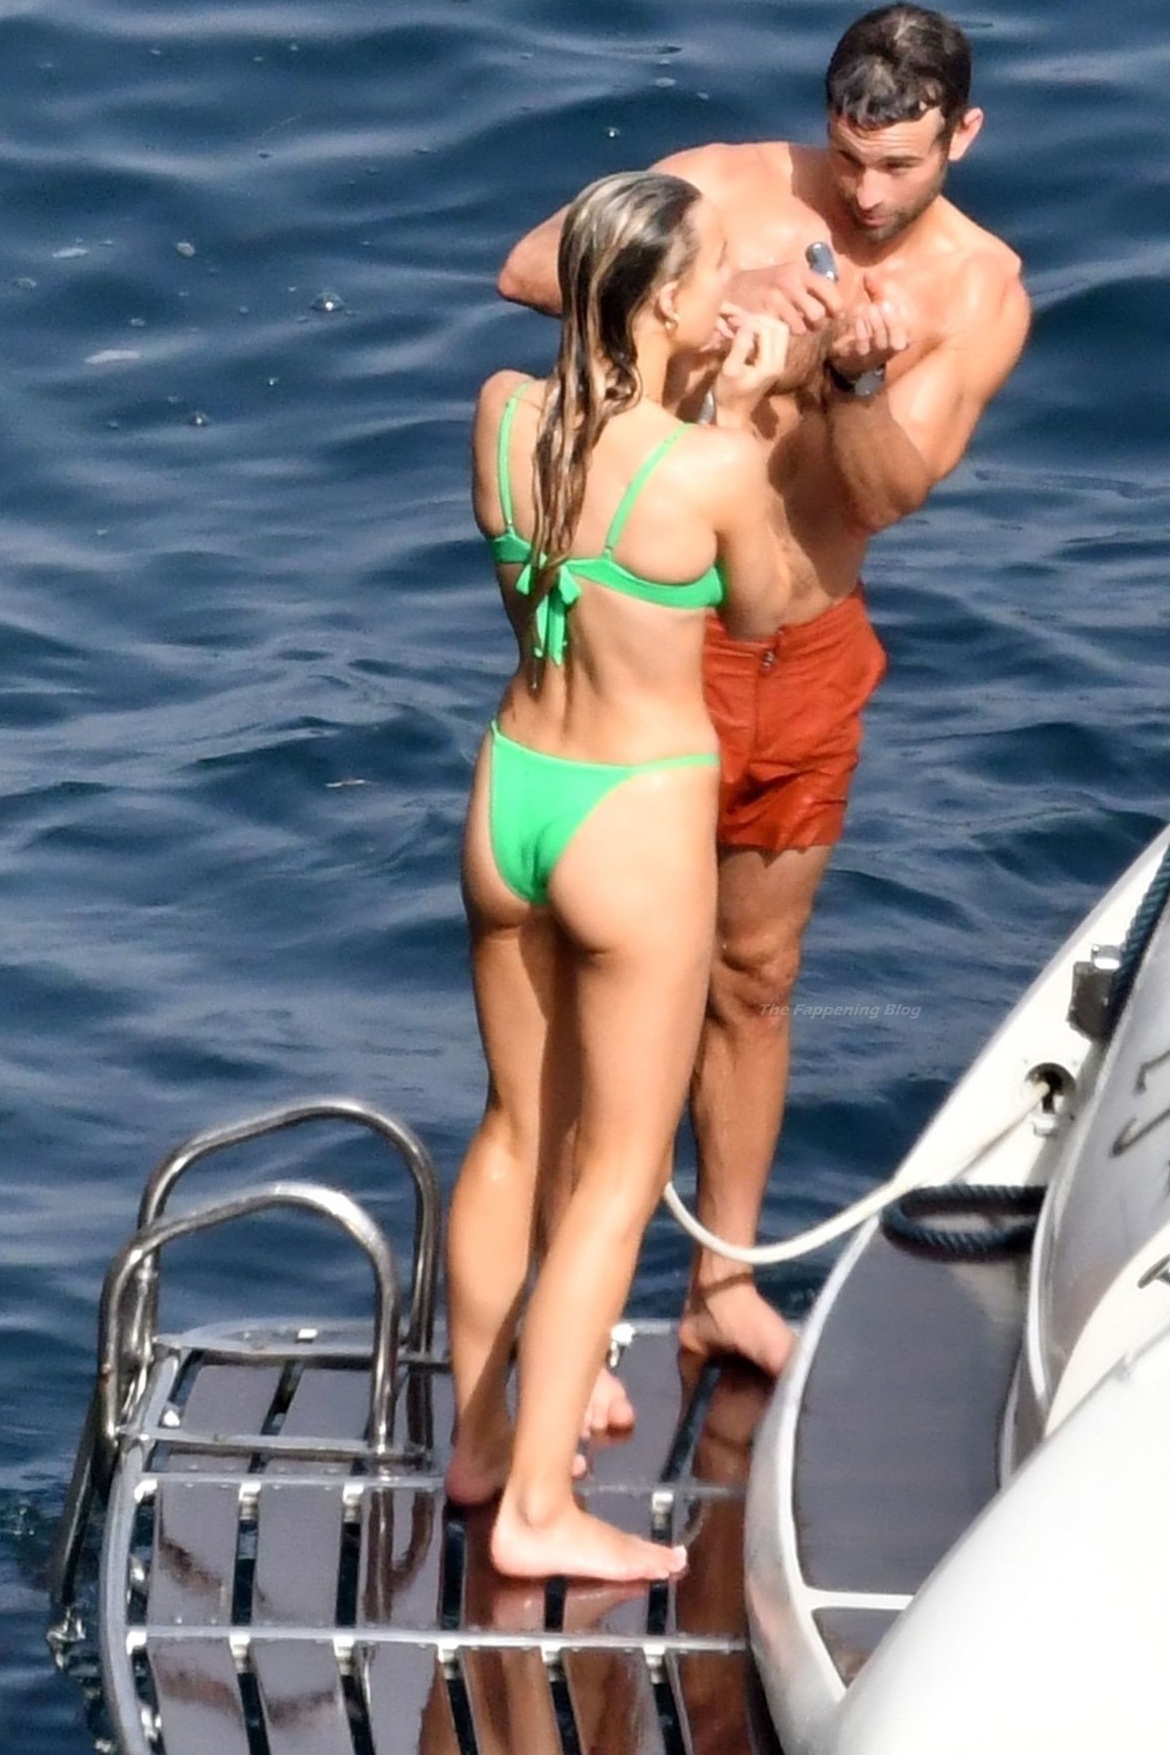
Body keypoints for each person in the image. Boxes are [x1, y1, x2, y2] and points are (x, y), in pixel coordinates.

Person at [498, 2, 1032, 1409]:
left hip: (806, 652)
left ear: (961, 138)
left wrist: (853, 375)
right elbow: (526, 267)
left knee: (755, 978)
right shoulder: (726, 185)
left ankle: (720, 1283)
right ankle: (570, 1318)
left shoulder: (979, 291)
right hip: (657, 643)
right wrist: (707, 289)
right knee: (599, 976)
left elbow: (887, 494)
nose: (866, 193)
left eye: (899, 165)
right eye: (849, 156)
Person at [446, 168, 792, 1582]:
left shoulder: (499, 412)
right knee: (620, 1172)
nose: (732, 295)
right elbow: (768, 609)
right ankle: (538, 1507)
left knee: (513, 1132)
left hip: (512, 792)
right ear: (664, 303)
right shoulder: (704, 469)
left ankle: (477, 1446)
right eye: (716, 276)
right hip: (632, 820)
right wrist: (746, 421)